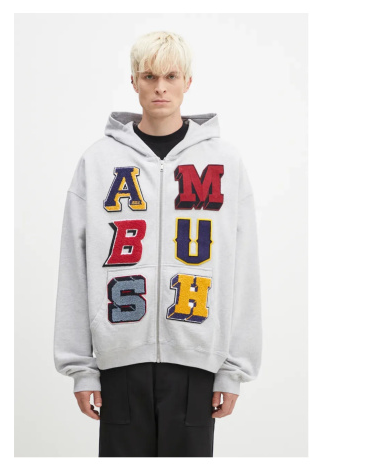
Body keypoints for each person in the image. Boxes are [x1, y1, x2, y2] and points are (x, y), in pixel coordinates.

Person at [53, 31, 262, 457]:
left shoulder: (224, 162)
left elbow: (242, 267)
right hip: (119, 362)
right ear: (133, 81)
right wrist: (81, 368)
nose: (160, 87)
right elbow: (74, 263)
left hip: (197, 361)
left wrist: (233, 370)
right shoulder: (98, 161)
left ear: (188, 81)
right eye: (149, 76)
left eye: (171, 76)